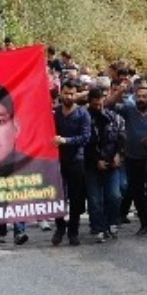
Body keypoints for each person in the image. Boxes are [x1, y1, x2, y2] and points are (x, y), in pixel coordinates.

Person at [107, 81, 147, 236]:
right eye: (138, 96)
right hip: (132, 158)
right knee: (136, 192)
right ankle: (145, 224)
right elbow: (108, 105)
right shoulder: (129, 111)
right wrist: (120, 91)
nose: (141, 99)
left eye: (144, 96)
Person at [51, 80, 92, 246]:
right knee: (58, 197)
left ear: (77, 94)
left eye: (72, 93)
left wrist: (65, 141)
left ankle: (73, 231)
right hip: (57, 162)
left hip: (76, 161)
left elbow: (85, 138)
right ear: (61, 93)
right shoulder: (55, 113)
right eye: (66, 93)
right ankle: (60, 227)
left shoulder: (83, 114)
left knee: (76, 199)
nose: (69, 96)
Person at [84, 86, 124, 243]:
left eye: (101, 103)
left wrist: (118, 154)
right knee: (95, 200)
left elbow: (121, 136)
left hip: (111, 161)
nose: (99, 107)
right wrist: (96, 160)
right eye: (96, 104)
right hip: (91, 164)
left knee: (114, 196)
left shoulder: (113, 117)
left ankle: (111, 222)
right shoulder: (84, 117)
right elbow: (85, 143)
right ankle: (98, 228)